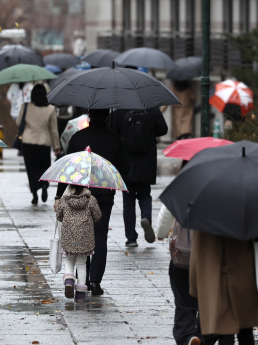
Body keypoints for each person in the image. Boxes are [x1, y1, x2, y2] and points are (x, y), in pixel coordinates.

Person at [56, 108, 129, 296]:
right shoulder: (114, 139)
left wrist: (58, 196)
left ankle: (83, 279)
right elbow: (125, 169)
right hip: (104, 196)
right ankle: (95, 281)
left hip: (80, 193)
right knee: (100, 235)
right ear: (107, 116)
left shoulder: (78, 138)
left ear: (89, 116)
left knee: (82, 231)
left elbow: (67, 167)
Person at [190, 232, 258, 345]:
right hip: (245, 274)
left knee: (225, 330)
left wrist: (194, 285)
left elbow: (196, 248)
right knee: (245, 330)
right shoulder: (252, 214)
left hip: (214, 277)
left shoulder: (204, 215)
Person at [155, 162, 202, 345]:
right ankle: (203, 336)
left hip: (182, 255)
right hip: (209, 258)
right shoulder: (218, 189)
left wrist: (160, 234)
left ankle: (187, 336)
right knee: (208, 301)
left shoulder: (180, 187)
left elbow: (166, 214)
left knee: (183, 300)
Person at [110, 107, 168, 247]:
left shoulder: (120, 111)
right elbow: (163, 129)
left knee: (128, 200)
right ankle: (146, 217)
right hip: (146, 160)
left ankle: (131, 238)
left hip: (126, 160)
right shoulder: (151, 108)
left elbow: (111, 130)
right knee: (145, 193)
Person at [16, 84, 61, 204]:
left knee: (31, 170)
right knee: (44, 167)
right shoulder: (51, 109)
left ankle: (34, 194)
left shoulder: (25, 107)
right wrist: (57, 146)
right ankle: (44, 185)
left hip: (28, 142)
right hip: (44, 143)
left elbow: (18, 122)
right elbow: (54, 129)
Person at [56, 184, 102, 300]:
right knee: (82, 264)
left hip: (69, 238)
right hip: (84, 239)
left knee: (69, 259)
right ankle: (81, 294)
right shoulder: (91, 200)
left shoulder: (64, 200)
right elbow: (97, 216)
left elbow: (59, 216)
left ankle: (69, 281)